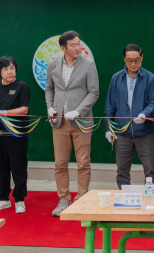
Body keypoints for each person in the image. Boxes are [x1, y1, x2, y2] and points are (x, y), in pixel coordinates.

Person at [45, 31, 100, 217]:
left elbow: (94, 92)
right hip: (58, 122)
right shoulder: (53, 64)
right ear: (63, 48)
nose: (78, 48)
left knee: (83, 163)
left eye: (79, 44)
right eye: (73, 45)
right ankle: (64, 200)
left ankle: (82, 199)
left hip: (82, 121)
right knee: (60, 163)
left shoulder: (89, 65)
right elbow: (49, 89)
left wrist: (78, 111)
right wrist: (50, 108)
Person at [104, 44, 154, 189]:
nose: (133, 64)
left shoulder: (150, 78)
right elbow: (110, 106)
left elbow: (153, 102)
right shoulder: (116, 78)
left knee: (150, 170)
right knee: (122, 171)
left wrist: (144, 114)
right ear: (124, 59)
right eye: (129, 60)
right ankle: (125, 200)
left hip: (144, 133)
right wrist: (108, 128)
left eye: (136, 60)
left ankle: (151, 200)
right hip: (122, 133)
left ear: (142, 57)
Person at [0, 56, 31, 214]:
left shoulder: (22, 86)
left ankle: (19, 200)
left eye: (12, 68)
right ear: (0, 71)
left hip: (16, 133)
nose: (10, 72)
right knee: (1, 167)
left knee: (18, 167)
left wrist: (5, 113)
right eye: (6, 69)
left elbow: (24, 109)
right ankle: (3, 199)